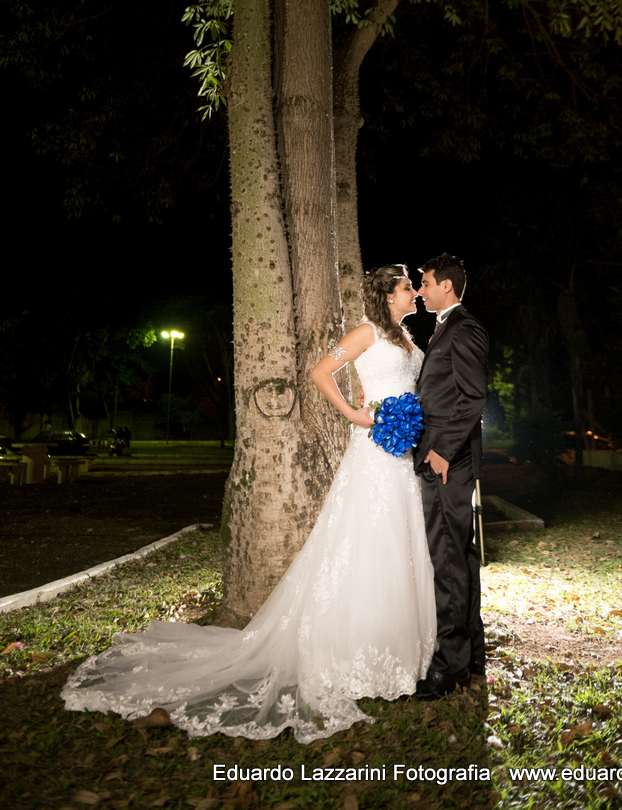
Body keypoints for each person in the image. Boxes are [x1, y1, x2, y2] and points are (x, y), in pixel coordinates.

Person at [61, 264, 435, 742]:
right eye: (408, 287)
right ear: (389, 295)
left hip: (400, 454)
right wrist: (356, 414)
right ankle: (353, 651)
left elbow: (412, 387)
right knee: (366, 541)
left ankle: (396, 652)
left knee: (397, 542)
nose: (414, 293)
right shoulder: (365, 332)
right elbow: (320, 371)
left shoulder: (408, 340)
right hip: (371, 448)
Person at [413, 253, 488, 698]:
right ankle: (473, 654)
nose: (420, 290)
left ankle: (450, 668)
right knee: (459, 556)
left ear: (446, 286)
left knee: (448, 560)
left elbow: (473, 397)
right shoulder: (444, 327)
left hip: (447, 460)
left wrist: (441, 450)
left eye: (424, 283)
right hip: (445, 456)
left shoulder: (465, 328)